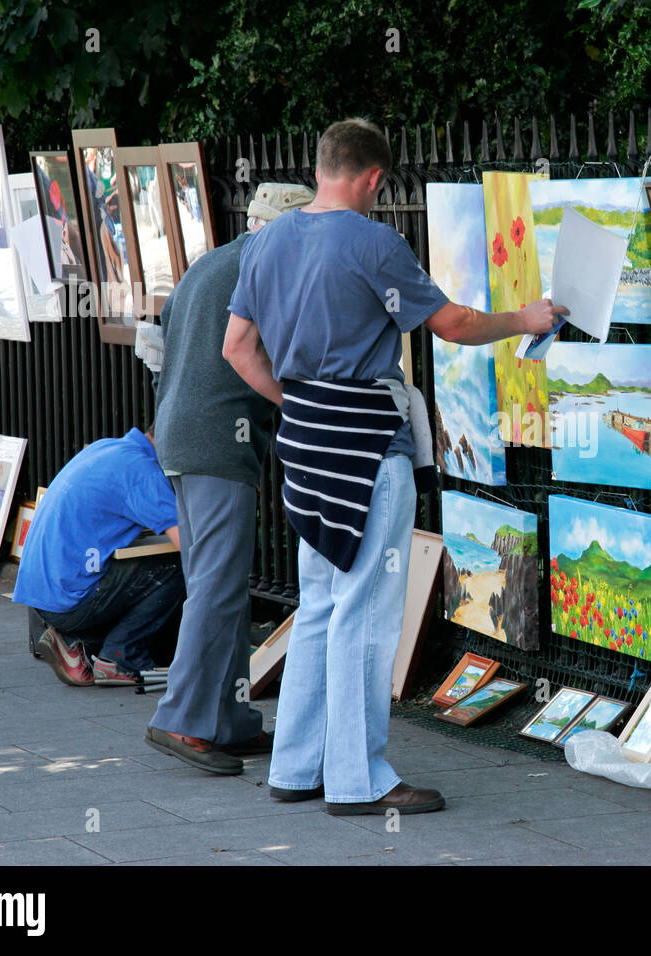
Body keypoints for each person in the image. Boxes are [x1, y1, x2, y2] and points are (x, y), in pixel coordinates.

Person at [223, 118, 565, 814]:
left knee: (318, 605)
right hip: (365, 447)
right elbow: (454, 325)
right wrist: (527, 320)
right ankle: (358, 780)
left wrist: (300, 401)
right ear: (374, 179)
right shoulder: (374, 242)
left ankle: (295, 768)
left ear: (321, 168)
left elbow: (237, 348)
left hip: (304, 447)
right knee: (367, 614)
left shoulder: (268, 242)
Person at [144, 182, 315, 775]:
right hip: (220, 438)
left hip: (179, 435)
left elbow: (163, 340)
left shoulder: (211, 262)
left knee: (215, 582)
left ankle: (231, 718)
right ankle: (183, 720)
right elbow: (270, 354)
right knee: (218, 585)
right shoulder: (268, 264)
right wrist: (305, 406)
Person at [13, 427, 184, 687]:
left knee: (132, 576)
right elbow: (191, 545)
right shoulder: (142, 470)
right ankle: (122, 657)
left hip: (42, 597)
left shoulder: (107, 448)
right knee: (176, 567)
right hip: (70, 600)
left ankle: (78, 647)